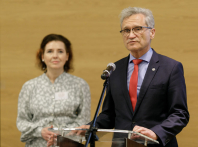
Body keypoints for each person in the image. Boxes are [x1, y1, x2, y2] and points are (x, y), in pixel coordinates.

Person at [52, 7, 189, 147]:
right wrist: (90, 127)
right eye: (126, 30)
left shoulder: (170, 67)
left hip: (155, 144)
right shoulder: (115, 69)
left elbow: (180, 114)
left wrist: (156, 133)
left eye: (137, 29)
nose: (131, 35)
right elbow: (109, 115)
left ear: (152, 32)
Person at [16, 34, 91, 147]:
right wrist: (40, 131)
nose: (55, 56)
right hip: (37, 144)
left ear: (67, 56)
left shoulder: (80, 85)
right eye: (50, 51)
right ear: (42, 56)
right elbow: (22, 122)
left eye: (60, 51)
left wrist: (61, 135)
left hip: (68, 144)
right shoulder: (29, 86)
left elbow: (83, 121)